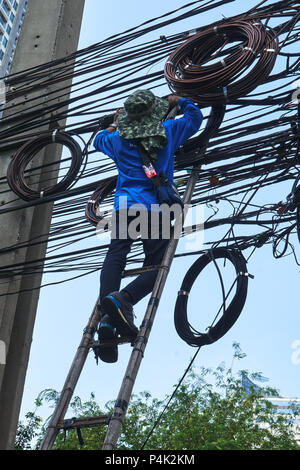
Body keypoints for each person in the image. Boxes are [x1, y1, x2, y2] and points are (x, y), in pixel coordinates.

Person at [93, 89, 203, 363]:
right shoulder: (169, 130)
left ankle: (107, 319)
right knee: (158, 267)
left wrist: (114, 122)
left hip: (125, 207)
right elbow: (195, 118)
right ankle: (124, 299)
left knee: (116, 257)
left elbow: (98, 139)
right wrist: (181, 100)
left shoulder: (116, 140)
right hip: (156, 209)